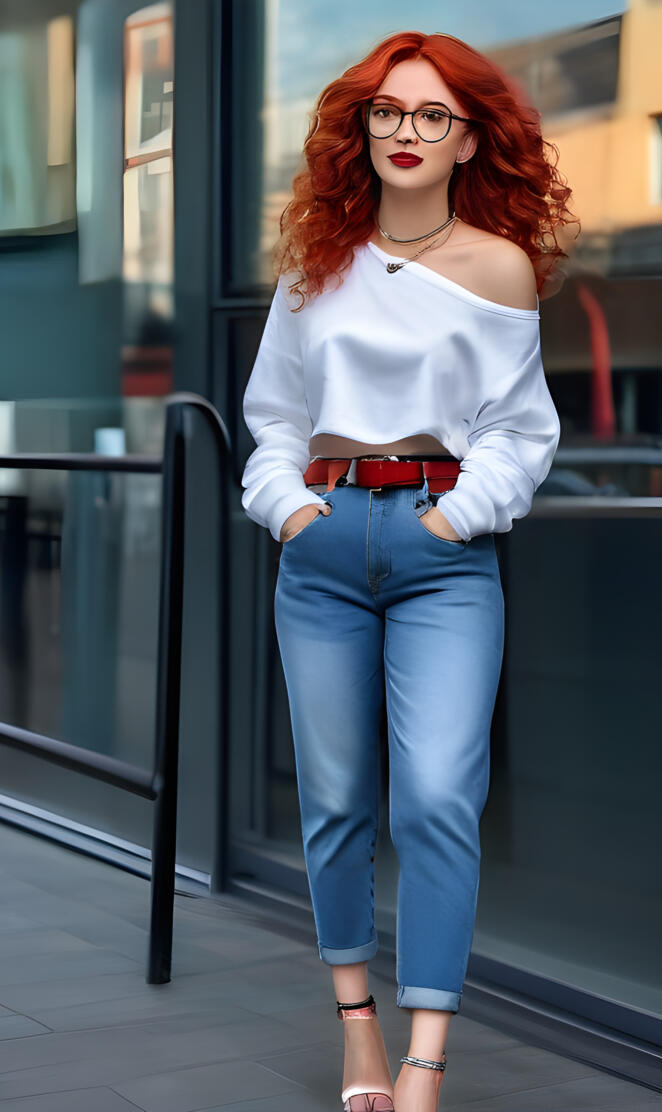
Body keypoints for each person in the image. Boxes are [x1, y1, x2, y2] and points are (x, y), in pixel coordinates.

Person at [240, 29, 578, 1112]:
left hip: (444, 555)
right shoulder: (315, 265)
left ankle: (427, 1050)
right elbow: (272, 419)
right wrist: (289, 508)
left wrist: (454, 519)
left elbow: (516, 432)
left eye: (431, 115)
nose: (405, 132)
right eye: (388, 111)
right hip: (324, 543)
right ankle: (358, 1032)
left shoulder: (497, 266)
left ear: (472, 137)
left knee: (437, 792)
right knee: (336, 797)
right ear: (363, 124)